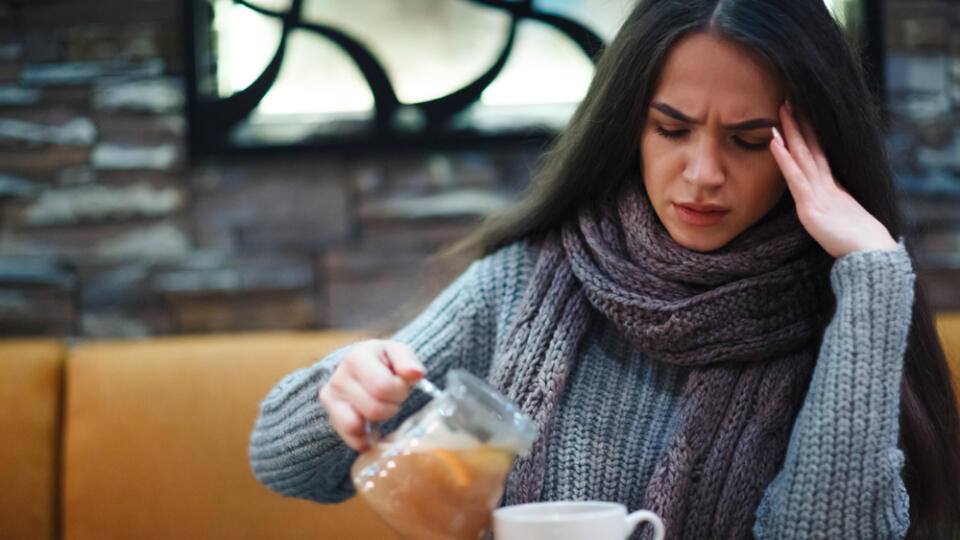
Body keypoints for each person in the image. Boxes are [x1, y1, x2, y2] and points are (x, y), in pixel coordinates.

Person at [249, 0, 960, 538]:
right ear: (628, 127)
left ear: (811, 152)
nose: (703, 173)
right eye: (672, 129)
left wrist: (872, 273)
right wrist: (343, 390)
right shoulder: (525, 282)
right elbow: (288, 466)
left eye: (750, 141)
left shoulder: (845, 318)